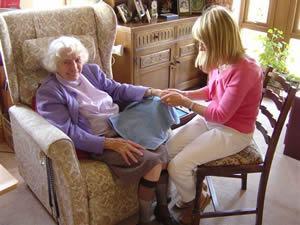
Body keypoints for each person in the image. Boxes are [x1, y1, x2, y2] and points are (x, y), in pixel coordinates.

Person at [36, 36, 178, 225]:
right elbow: (68, 131)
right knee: (152, 161)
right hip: (100, 139)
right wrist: (109, 144)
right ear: (55, 64)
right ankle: (145, 220)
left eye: (77, 59)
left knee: (162, 149)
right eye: (66, 62)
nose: (75, 67)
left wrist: (152, 91)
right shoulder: (50, 92)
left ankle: (162, 210)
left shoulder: (91, 71)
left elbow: (117, 90)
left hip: (122, 123)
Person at [161, 5, 263, 224]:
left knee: (179, 166)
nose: (200, 46)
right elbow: (211, 92)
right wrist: (182, 93)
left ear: (218, 41)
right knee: (168, 151)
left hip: (234, 131)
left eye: (204, 42)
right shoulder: (221, 60)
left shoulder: (246, 70)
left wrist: (185, 102)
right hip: (212, 119)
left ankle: (197, 200)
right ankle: (194, 188)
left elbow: (221, 115)